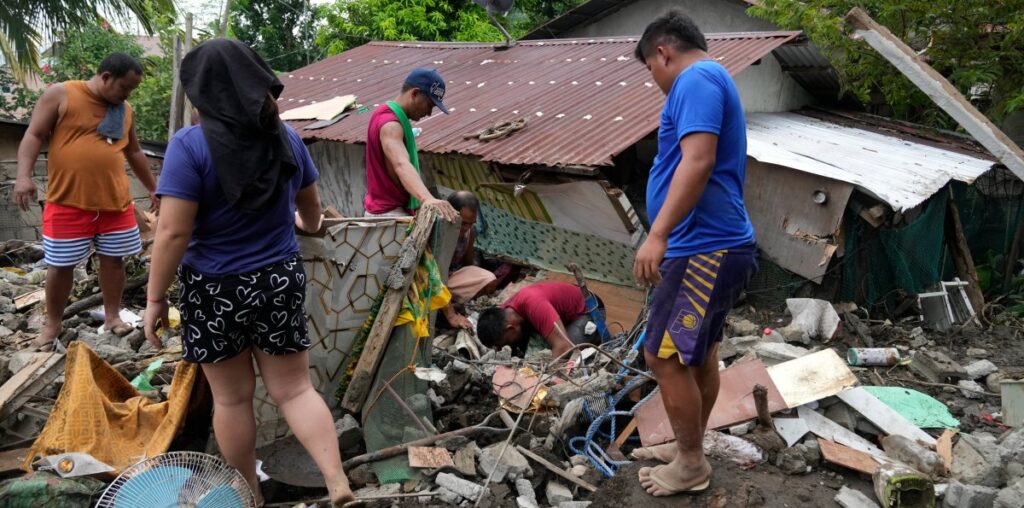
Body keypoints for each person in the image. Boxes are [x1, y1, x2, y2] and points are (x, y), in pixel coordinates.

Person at [141, 39, 353, 506]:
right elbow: (313, 214)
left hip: (213, 290)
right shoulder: (287, 137)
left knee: (233, 400)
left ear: (201, 92)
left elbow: (173, 233)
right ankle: (336, 479)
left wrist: (155, 299)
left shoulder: (189, 146)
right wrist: (306, 226)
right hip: (277, 279)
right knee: (295, 389)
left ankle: (249, 494)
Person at [631, 11, 758, 497]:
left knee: (662, 356)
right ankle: (691, 448)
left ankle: (690, 464)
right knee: (697, 354)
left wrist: (658, 234)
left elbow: (698, 158)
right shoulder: (712, 77)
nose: (655, 80)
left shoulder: (695, 78)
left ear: (663, 52)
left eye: (650, 69)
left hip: (700, 246)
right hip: (715, 244)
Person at [12, 52, 159, 349]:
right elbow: (34, 134)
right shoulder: (62, 94)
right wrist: (23, 176)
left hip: (115, 203)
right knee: (60, 266)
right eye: (124, 88)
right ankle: (53, 325)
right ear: (106, 77)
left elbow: (135, 152)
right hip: (67, 202)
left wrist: (155, 189)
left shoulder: (124, 109)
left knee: (114, 262)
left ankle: (113, 316)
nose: (127, 95)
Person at [363, 67, 459, 221]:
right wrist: (427, 198)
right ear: (414, 94)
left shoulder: (388, 114)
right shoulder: (391, 125)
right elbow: (401, 164)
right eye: (429, 105)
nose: (428, 113)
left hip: (387, 211)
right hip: (389, 215)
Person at [476, 281, 602, 359]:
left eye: (503, 344)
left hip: (589, 310)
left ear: (510, 328)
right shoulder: (504, 312)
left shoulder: (534, 305)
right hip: (559, 311)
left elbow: (564, 346)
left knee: (566, 356)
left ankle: (595, 337)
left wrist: (536, 376)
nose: (502, 349)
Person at [439, 191, 497, 329]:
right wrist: (451, 315)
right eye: (463, 223)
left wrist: (470, 289)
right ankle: (443, 310)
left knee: (489, 280)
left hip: (452, 277)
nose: (466, 228)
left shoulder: (470, 232)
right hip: (433, 279)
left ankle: (454, 304)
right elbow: (431, 274)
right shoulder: (438, 232)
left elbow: (468, 264)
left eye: (470, 224)